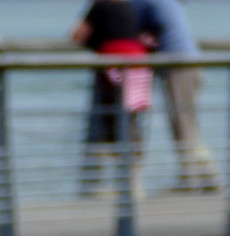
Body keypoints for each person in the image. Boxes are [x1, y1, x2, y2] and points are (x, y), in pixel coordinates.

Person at [131, 0, 218, 191]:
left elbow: (127, 25)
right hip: (189, 61)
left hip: (179, 65)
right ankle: (207, 174)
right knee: (188, 124)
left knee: (183, 124)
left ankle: (192, 179)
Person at [72, 0, 152, 198]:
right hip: (139, 64)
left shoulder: (99, 6)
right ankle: (133, 182)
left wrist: (93, 42)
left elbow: (77, 36)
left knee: (106, 121)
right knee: (132, 121)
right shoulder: (130, 6)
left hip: (112, 64)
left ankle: (98, 182)